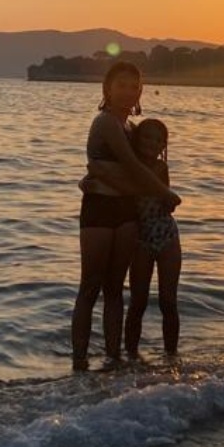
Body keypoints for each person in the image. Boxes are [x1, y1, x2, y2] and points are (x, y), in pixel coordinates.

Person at [71, 62, 179, 371]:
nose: (128, 92)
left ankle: (113, 357)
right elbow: (133, 166)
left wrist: (104, 174)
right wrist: (165, 193)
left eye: (134, 87)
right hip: (99, 211)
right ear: (107, 89)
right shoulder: (105, 122)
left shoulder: (132, 128)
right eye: (122, 85)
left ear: (141, 91)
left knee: (116, 289)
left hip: (127, 212)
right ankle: (79, 362)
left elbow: (137, 170)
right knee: (90, 286)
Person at [123, 118, 182, 361]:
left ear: (163, 146)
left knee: (168, 301)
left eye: (158, 140)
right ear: (137, 140)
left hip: (166, 233)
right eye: (147, 137)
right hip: (141, 238)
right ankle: (130, 357)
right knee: (138, 301)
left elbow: (167, 204)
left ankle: (171, 356)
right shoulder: (130, 165)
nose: (152, 143)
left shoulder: (161, 167)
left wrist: (169, 200)